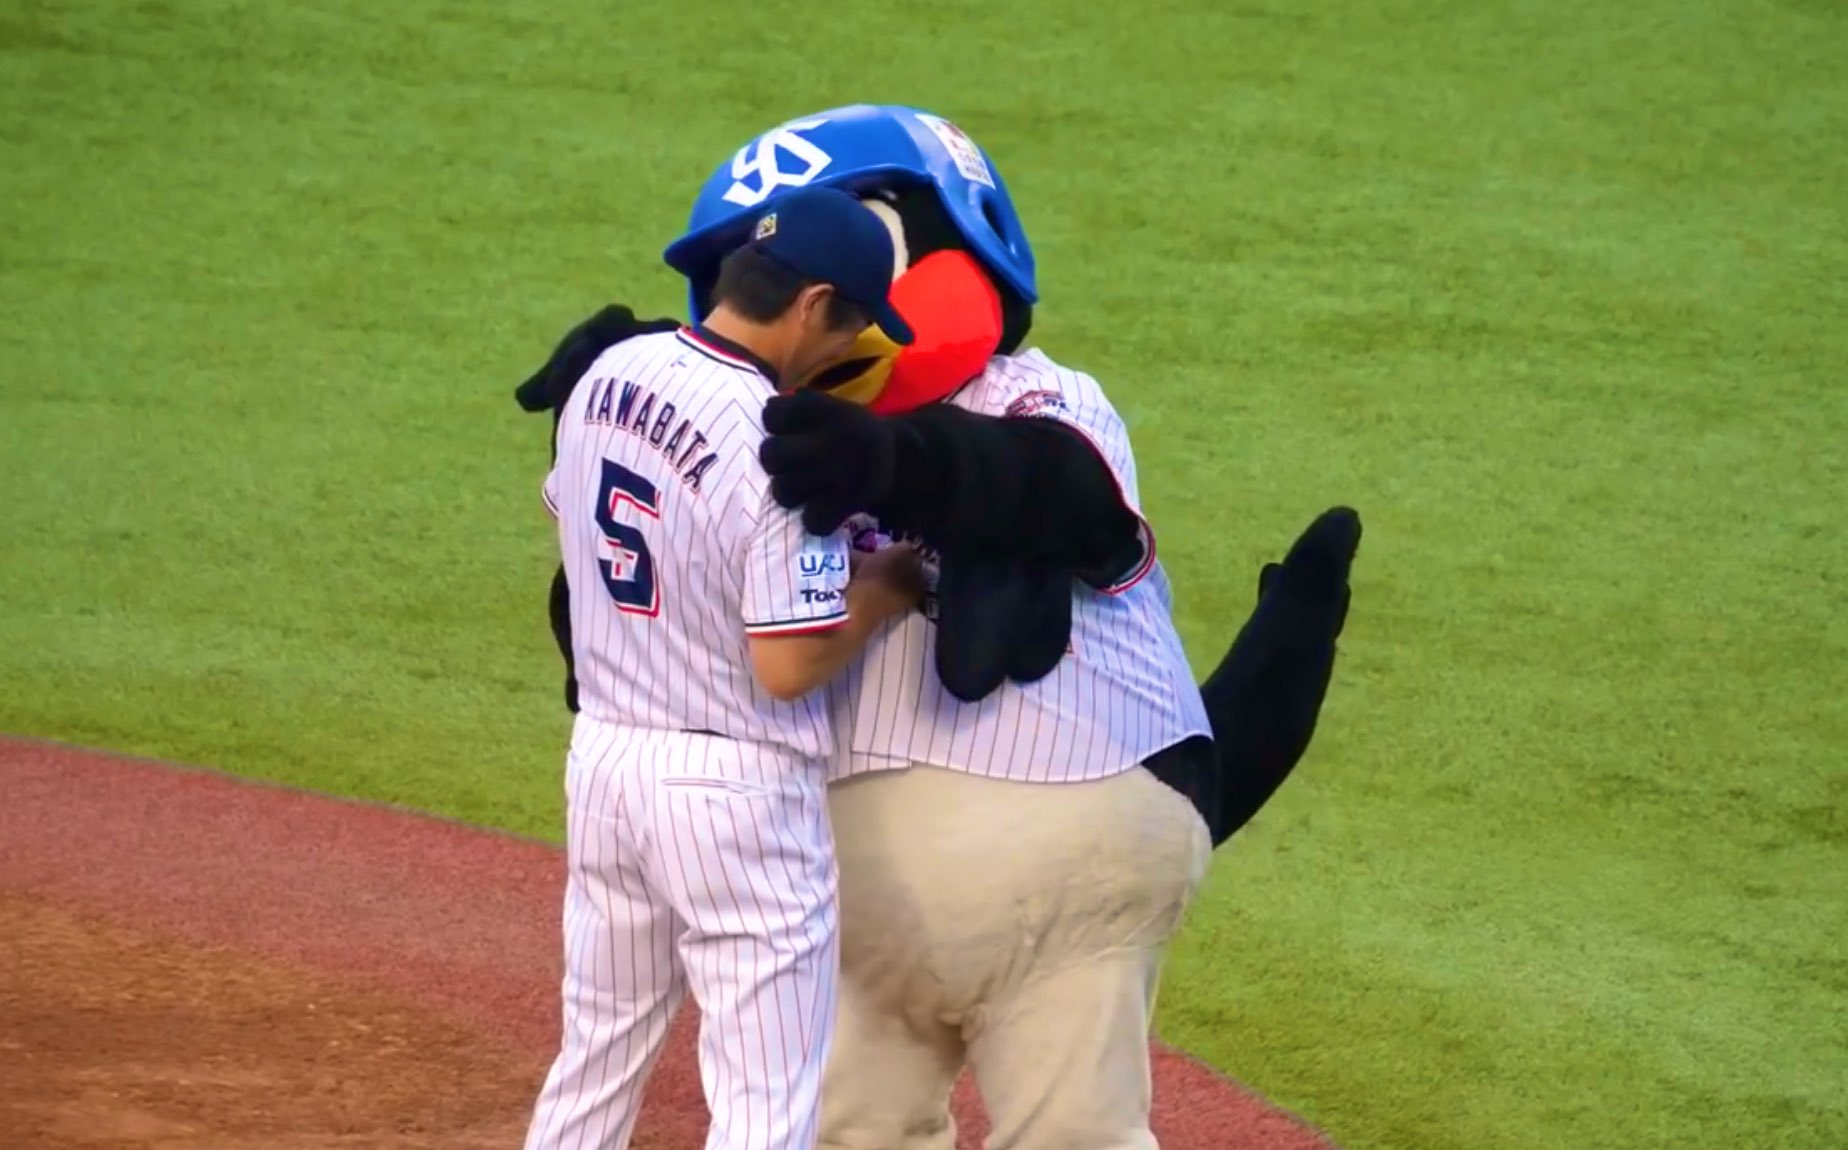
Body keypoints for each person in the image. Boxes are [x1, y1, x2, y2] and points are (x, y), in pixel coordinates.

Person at [521, 184, 925, 1150]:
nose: (853, 345)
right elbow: (789, 664)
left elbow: (567, 511)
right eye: (855, 321)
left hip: (606, 762)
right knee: (764, 1105)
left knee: (595, 1055)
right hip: (734, 793)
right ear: (813, 303)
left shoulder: (609, 370)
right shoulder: (782, 441)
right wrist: (888, 586)